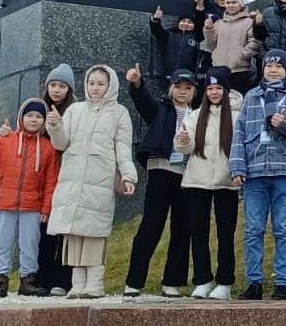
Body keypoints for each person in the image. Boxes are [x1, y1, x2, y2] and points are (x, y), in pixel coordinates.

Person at [46, 65, 137, 299]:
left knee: (95, 234)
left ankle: (95, 284)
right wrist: (55, 125)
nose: (95, 88)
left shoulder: (119, 113)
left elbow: (123, 148)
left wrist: (128, 175)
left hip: (100, 180)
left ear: (110, 86)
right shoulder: (75, 110)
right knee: (74, 234)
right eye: (91, 83)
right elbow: (60, 143)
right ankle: (77, 285)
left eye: (100, 84)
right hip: (72, 179)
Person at [229, 49, 286, 300]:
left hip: (284, 170)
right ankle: (254, 282)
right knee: (253, 229)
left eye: (278, 66)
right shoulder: (251, 97)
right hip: (255, 173)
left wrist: (285, 124)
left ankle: (282, 282)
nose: (273, 69)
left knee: (283, 229)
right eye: (269, 66)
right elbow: (239, 134)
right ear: (263, 69)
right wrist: (237, 167)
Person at [0, 98, 60, 298]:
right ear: (21, 117)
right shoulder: (5, 140)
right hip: (3, 202)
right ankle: (0, 279)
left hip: (32, 206)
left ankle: (28, 280)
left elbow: (50, 182)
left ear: (44, 121)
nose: (34, 120)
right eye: (29, 115)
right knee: (2, 242)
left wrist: (46, 209)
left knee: (30, 244)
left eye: (39, 116)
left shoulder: (48, 147)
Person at [123, 64, 197, 297]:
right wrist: (136, 83)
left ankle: (172, 282)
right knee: (151, 225)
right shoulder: (161, 109)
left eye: (188, 88)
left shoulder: (198, 115)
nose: (183, 92)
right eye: (178, 86)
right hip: (160, 171)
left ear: (194, 91)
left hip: (187, 175)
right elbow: (142, 101)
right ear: (170, 88)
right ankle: (134, 282)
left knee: (182, 228)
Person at [176, 66, 243, 299]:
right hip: (197, 180)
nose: (214, 93)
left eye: (219, 88)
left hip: (227, 181)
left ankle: (225, 282)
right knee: (198, 232)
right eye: (210, 88)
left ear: (226, 90)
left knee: (226, 233)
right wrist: (182, 140)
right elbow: (184, 147)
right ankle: (202, 280)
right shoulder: (194, 115)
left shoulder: (237, 115)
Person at [36, 64, 76, 297]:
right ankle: (40, 278)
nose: (57, 90)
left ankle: (62, 279)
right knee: (43, 232)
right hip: (42, 179)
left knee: (64, 232)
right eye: (53, 85)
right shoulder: (37, 109)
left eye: (62, 85)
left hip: (67, 177)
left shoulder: (76, 111)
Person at [203, 0, 264, 93]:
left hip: (239, 70)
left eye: (234, 2)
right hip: (219, 68)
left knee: (236, 100)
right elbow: (211, 44)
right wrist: (209, 30)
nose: (231, 5)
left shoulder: (249, 22)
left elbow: (255, 42)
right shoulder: (219, 23)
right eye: (228, 2)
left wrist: (243, 54)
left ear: (241, 4)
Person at [150, 5, 204, 80]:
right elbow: (156, 31)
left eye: (189, 22)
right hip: (165, 74)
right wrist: (155, 20)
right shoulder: (169, 34)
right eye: (183, 21)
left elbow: (200, 23)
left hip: (186, 76)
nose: (186, 24)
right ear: (178, 23)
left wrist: (200, 11)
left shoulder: (197, 37)